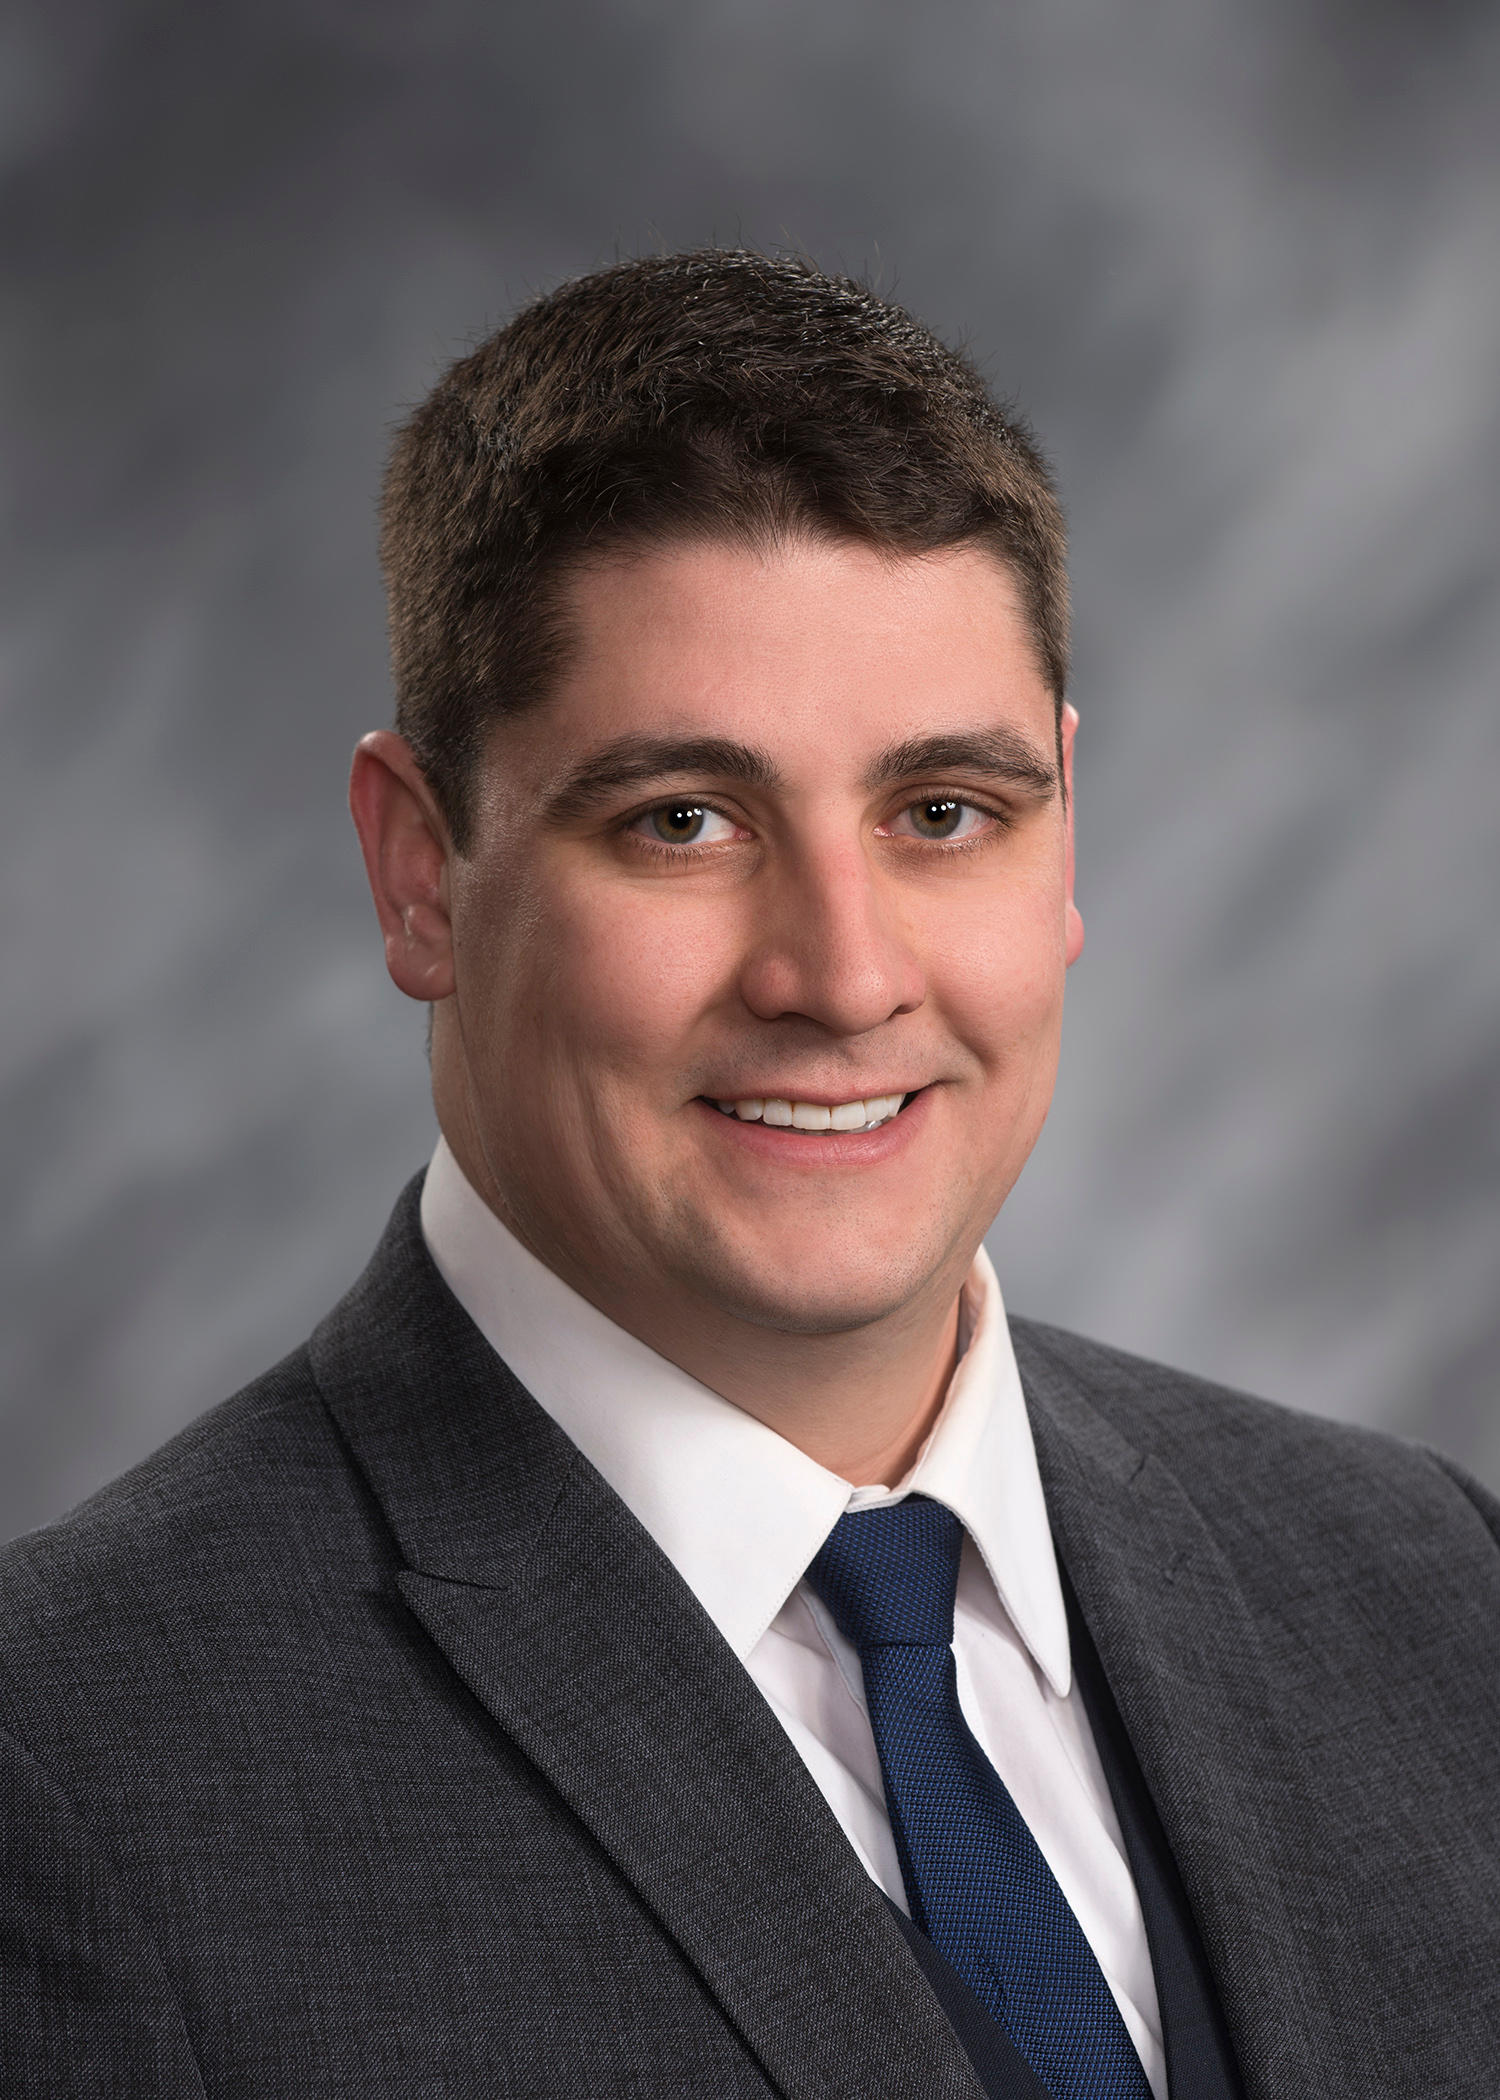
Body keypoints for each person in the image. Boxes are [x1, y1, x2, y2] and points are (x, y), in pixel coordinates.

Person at [1, 250, 1496, 2100]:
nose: (844, 977)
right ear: (418, 874)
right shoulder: (74, 1780)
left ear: (1064, 832)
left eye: (943, 812)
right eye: (685, 822)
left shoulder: (1430, 1588)